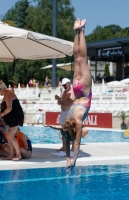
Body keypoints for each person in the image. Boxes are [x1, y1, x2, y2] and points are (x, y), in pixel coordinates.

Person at [46, 18, 92, 169]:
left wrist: (72, 160)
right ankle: (76, 31)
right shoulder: (69, 119)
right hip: (78, 89)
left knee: (82, 58)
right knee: (77, 59)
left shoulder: (76, 120)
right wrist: (67, 158)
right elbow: (67, 136)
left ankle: (82, 30)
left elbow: (76, 143)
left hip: (84, 90)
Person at [0, 81, 24, 161]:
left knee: (10, 135)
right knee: (7, 135)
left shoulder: (8, 93)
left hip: (15, 117)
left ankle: (18, 154)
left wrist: (1, 115)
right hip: (10, 117)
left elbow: (9, 108)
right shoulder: (5, 95)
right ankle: (11, 154)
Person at [55, 78, 75, 151]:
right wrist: (59, 100)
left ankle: (73, 146)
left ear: (69, 83)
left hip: (69, 112)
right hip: (63, 112)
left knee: (71, 130)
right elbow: (60, 102)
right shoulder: (63, 92)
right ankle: (64, 146)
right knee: (63, 130)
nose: (64, 86)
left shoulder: (72, 92)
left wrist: (61, 100)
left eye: (65, 85)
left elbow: (70, 103)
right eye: (63, 85)